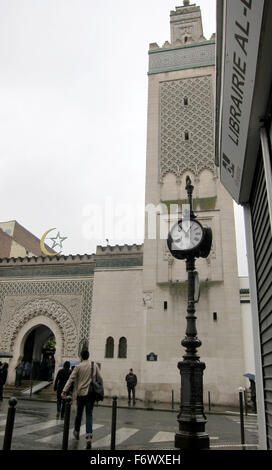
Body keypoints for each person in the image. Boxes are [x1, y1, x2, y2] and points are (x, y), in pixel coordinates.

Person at [61, 350, 103, 449]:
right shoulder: (94, 365)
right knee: (89, 414)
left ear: (81, 357)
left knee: (79, 414)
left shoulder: (78, 367)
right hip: (91, 394)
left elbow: (71, 379)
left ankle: (76, 431)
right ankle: (88, 436)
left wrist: (64, 391)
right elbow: (100, 378)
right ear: (88, 356)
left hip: (80, 394)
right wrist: (100, 390)